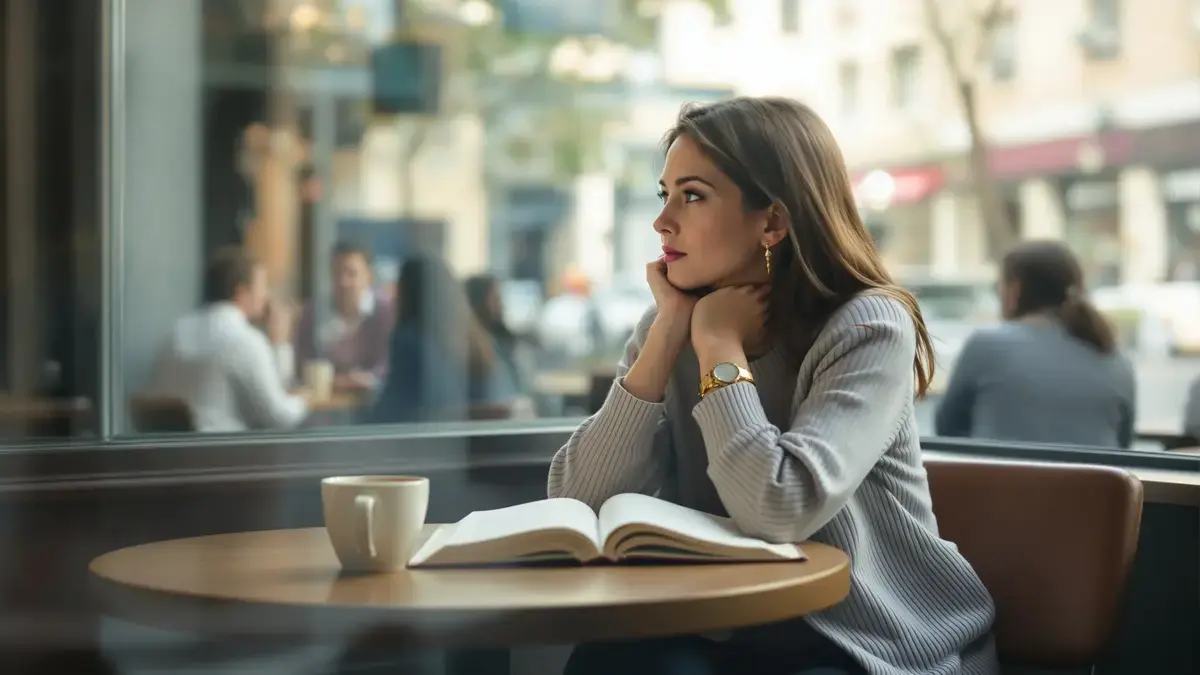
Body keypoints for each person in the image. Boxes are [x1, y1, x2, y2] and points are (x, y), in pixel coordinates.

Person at [548, 97, 999, 675]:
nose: (662, 222)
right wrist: (665, 338)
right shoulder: (672, 325)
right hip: (728, 628)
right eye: (664, 195)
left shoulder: (867, 327)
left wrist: (719, 346)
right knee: (609, 660)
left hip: (868, 641)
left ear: (772, 223)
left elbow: (779, 509)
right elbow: (575, 501)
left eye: (692, 196)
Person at [936, 240, 1135, 448]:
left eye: (999, 286)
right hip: (1093, 472)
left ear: (1014, 290)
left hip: (1001, 471)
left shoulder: (987, 345)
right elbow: (1123, 445)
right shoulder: (1115, 357)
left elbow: (947, 429)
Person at [146, 246, 307, 432]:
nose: (267, 295)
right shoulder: (245, 340)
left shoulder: (175, 333)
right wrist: (304, 400)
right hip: (223, 447)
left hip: (169, 448)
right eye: (263, 287)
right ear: (241, 293)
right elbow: (278, 417)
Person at [370, 257, 516, 423]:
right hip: (485, 435)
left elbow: (390, 410)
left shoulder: (409, 340)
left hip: (430, 434)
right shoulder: (476, 338)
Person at [294, 241, 392, 392]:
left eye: (351, 273)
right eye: (337, 272)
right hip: (325, 398)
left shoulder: (385, 312)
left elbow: (389, 364)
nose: (343, 281)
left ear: (368, 275)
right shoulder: (312, 313)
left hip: (371, 398)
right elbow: (302, 363)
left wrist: (367, 379)